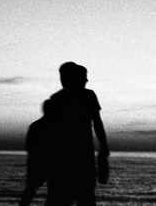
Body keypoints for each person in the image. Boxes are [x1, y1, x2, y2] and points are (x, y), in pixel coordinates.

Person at [46, 62, 109, 206]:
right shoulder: (87, 95)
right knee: (85, 196)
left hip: (64, 156)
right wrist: (104, 147)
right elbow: (97, 123)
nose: (86, 80)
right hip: (81, 155)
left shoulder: (57, 98)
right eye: (83, 77)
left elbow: (51, 131)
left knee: (66, 198)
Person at [19, 100, 50, 206]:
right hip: (42, 163)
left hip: (36, 163)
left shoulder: (35, 126)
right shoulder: (55, 127)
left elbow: (29, 146)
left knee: (30, 190)